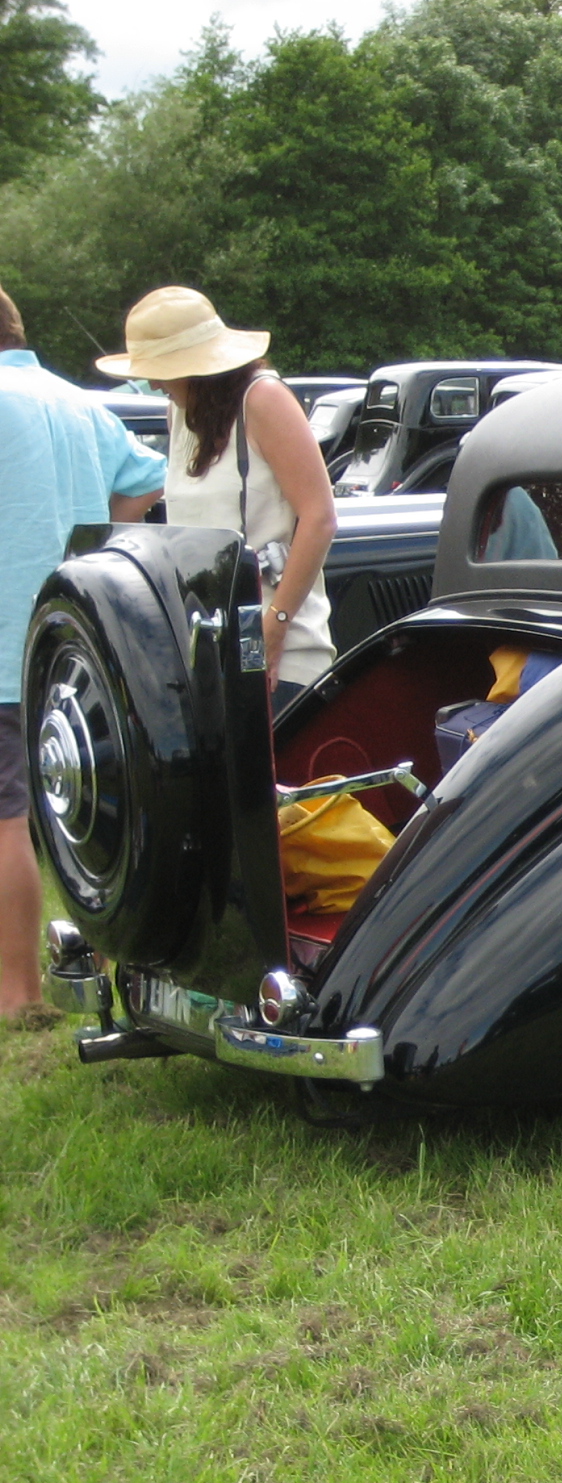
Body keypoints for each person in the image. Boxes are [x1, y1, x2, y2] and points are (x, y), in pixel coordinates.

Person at [0, 284, 167, 1019]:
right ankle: (98, 966)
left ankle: (17, 993)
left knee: (7, 821)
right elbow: (146, 481)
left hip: (4, 641)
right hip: (78, 639)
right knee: (86, 815)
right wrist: (94, 528)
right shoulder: (75, 402)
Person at [101, 288, 339, 708]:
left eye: (161, 369)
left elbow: (319, 517)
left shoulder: (263, 399)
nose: (152, 383)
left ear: (198, 368)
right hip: (208, 645)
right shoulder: (180, 412)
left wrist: (276, 624)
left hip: (278, 648)